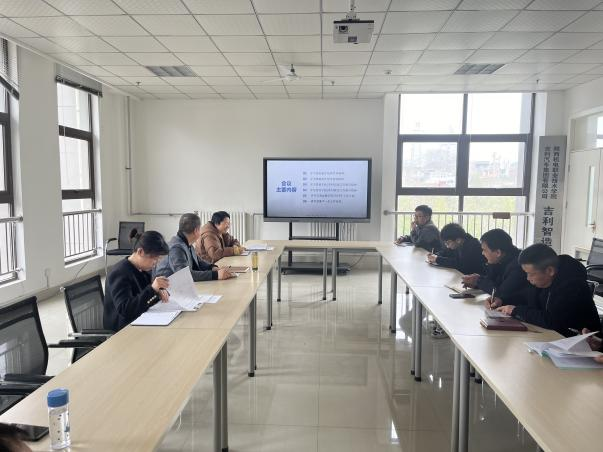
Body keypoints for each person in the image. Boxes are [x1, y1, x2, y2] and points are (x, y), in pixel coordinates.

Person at [496, 244, 601, 337]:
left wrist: (516, 310)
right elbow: (525, 296)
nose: (528, 278)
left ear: (550, 271)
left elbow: (553, 321)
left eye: (531, 274)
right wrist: (502, 300)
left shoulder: (571, 284)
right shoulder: (543, 279)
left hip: (579, 341)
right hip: (550, 336)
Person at [104, 230, 171, 332]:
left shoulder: (143, 269)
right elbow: (126, 310)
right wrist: (153, 289)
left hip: (141, 321)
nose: (156, 263)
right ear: (140, 252)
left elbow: (144, 299)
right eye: (154, 258)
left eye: (158, 259)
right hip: (123, 330)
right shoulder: (119, 273)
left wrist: (158, 293)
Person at [461, 229, 530, 309]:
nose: (482, 253)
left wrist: (478, 281)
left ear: (498, 252)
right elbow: (494, 283)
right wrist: (477, 284)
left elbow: (501, 293)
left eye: (484, 250)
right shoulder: (502, 260)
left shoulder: (518, 266)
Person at [155, 213, 234, 281]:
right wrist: (216, 275)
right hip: (166, 290)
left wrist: (212, 268)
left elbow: (199, 262)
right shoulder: (176, 248)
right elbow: (185, 276)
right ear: (196, 231)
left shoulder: (186, 243)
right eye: (200, 229)